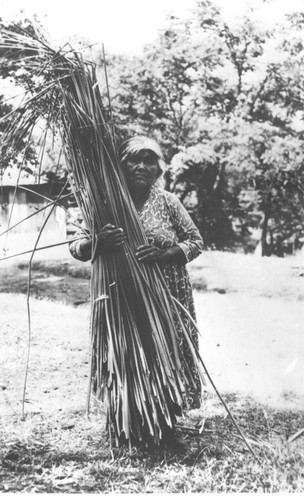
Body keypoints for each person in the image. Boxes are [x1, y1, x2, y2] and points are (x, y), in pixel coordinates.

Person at [69, 135, 204, 432]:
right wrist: (98, 242)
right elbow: (75, 247)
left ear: (159, 169)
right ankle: (125, 421)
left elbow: (195, 242)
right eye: (134, 159)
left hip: (166, 293)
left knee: (164, 352)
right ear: (120, 166)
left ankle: (165, 424)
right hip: (120, 294)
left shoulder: (168, 203)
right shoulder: (103, 204)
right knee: (127, 353)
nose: (141, 166)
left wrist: (163, 254)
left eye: (149, 160)